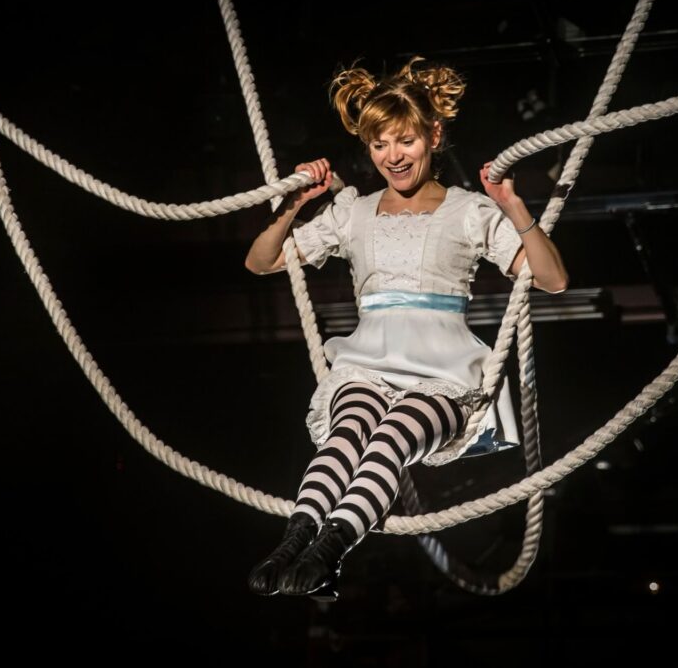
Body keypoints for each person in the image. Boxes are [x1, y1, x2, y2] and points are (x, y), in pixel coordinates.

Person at [243, 56, 568, 600]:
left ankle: (330, 551)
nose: (392, 156)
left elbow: (553, 279)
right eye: (379, 145)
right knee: (346, 435)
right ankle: (292, 542)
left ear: (434, 136)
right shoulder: (354, 211)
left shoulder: (469, 211)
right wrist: (292, 207)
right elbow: (261, 262)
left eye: (405, 141)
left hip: (443, 376)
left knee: (388, 441)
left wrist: (513, 207)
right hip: (367, 366)